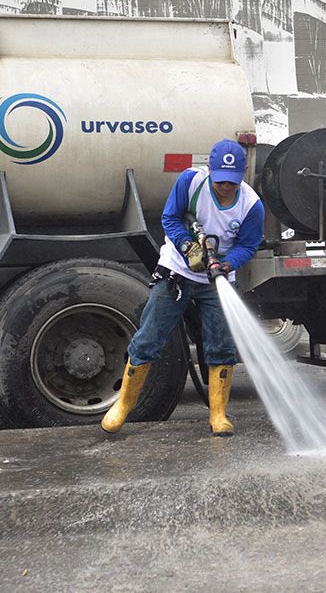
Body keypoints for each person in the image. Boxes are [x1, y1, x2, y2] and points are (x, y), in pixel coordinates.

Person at [101, 139, 265, 436]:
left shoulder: (251, 205)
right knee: (149, 337)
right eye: (220, 181)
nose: (225, 187)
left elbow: (249, 245)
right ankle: (123, 406)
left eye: (231, 183)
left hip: (218, 280)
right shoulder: (191, 182)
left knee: (221, 345)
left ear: (241, 176)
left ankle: (218, 414)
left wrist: (225, 265)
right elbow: (170, 218)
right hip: (176, 272)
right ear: (210, 171)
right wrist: (188, 245)